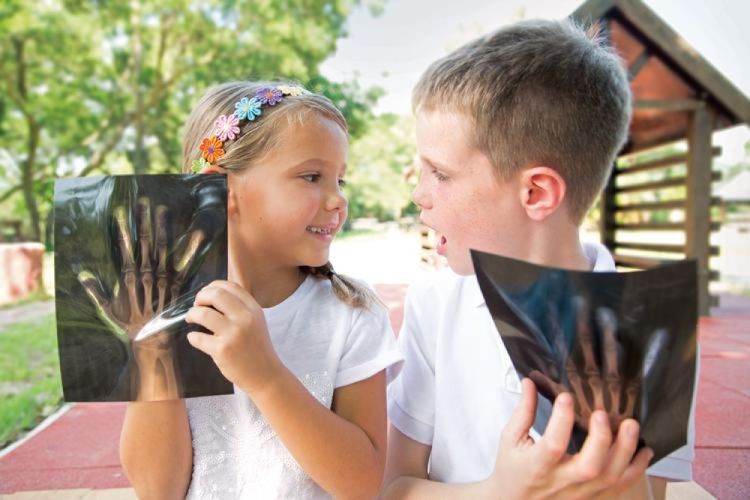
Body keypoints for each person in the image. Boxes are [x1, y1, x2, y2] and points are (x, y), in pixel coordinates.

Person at [383, 19, 696, 499]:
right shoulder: (433, 305)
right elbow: (394, 486)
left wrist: (610, 477)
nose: (418, 194)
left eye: (440, 174)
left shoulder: (646, 332)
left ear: (536, 192)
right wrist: (499, 492)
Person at [119, 81, 403, 499]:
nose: (338, 200)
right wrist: (154, 350)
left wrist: (265, 375)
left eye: (339, 180)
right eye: (312, 176)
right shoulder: (165, 313)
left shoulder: (353, 312)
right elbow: (157, 490)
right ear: (226, 190)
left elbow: (361, 484)